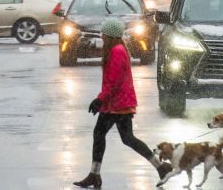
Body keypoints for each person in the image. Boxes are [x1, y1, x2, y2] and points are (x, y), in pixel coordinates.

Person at [73, 18, 171, 188]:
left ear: (110, 35)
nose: (102, 36)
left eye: (104, 33)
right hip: (117, 103)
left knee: (104, 135)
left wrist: (99, 100)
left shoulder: (117, 51)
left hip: (117, 104)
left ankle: (95, 175)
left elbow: (114, 81)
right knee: (126, 138)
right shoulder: (117, 49)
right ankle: (159, 166)